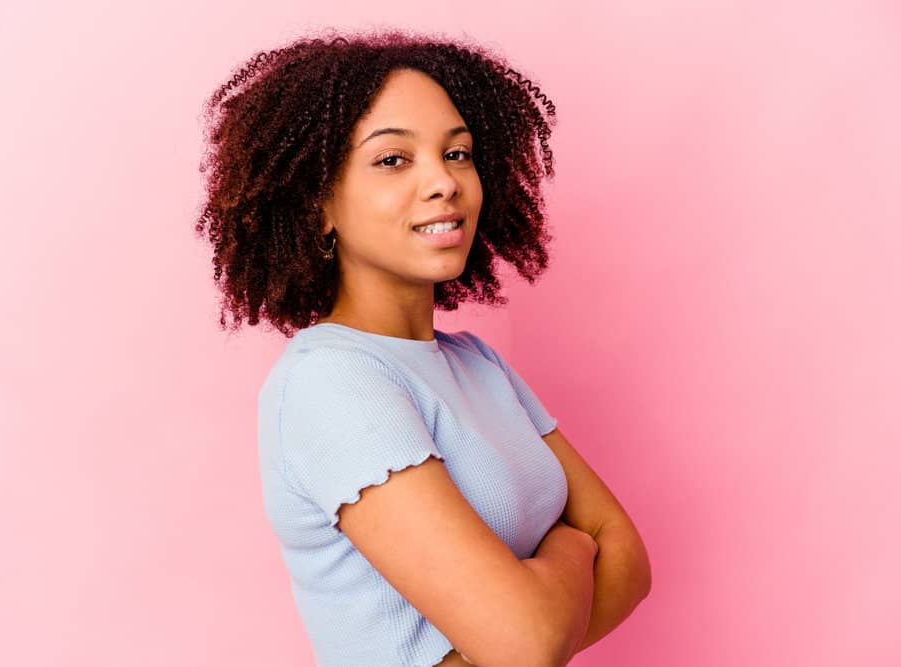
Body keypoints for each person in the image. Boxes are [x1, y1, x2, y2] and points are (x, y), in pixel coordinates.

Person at [194, 28, 651, 667]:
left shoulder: (477, 362)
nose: (445, 182)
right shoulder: (331, 382)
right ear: (318, 204)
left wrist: (536, 609)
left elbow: (629, 557)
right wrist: (573, 549)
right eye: (392, 159)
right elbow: (529, 641)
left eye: (458, 153)